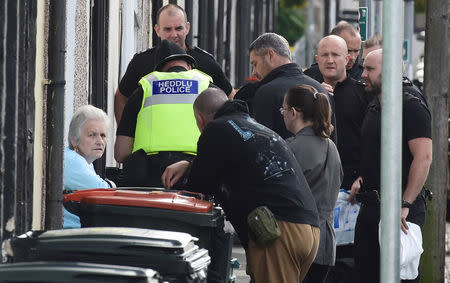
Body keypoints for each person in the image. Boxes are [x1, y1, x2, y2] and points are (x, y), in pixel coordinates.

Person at [162, 88, 321, 283]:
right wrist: (189, 164)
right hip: (309, 229)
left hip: (279, 230)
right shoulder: (253, 126)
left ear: (200, 119)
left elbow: (198, 191)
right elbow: (239, 160)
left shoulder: (215, 129)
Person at [349, 49, 432, 283]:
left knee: (398, 278)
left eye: (369, 69)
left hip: (401, 211)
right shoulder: (376, 102)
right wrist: (362, 178)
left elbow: (424, 157)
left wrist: (405, 203)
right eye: (364, 67)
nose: (363, 74)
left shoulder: (411, 105)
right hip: (372, 204)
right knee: (366, 273)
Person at [114, 39, 213, 187]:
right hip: (193, 177)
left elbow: (121, 153)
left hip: (150, 181)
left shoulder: (144, 88)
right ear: (188, 66)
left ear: (159, 70)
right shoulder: (207, 87)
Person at [115, 3, 233, 122]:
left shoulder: (206, 62)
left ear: (187, 28)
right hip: (152, 139)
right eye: (167, 29)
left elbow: (230, 97)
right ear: (157, 30)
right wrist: (127, 132)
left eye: (178, 28)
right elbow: (121, 98)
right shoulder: (141, 61)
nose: (174, 35)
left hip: (197, 140)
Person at [282, 84, 343, 283]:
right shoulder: (331, 146)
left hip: (296, 240)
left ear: (293, 112)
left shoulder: (289, 147)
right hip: (326, 242)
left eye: (283, 110)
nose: (282, 114)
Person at [236, 32, 335, 141]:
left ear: (270, 55)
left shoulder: (266, 93)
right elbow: (332, 144)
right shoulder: (321, 90)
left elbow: (261, 144)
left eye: (255, 64)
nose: (254, 72)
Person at [64, 105, 113, 228]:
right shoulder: (72, 161)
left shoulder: (85, 162)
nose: (100, 141)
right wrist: (112, 185)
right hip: (69, 238)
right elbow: (105, 193)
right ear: (74, 139)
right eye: (92, 135)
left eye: (103, 135)